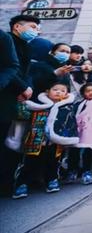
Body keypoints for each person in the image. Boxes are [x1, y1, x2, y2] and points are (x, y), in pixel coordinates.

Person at [13, 82, 77, 199]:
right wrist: (21, 105)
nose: (58, 92)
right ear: (48, 91)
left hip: (55, 142)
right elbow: (23, 116)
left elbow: (70, 124)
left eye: (62, 91)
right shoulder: (37, 105)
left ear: (67, 94)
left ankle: (51, 180)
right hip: (36, 139)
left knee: (53, 162)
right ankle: (21, 184)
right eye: (55, 89)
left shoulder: (66, 108)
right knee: (29, 163)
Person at [0, 15, 39, 194]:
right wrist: (22, 87)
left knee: (11, 142)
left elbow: (23, 70)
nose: (36, 31)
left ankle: (6, 183)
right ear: (17, 26)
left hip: (15, 98)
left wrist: (27, 87)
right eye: (32, 26)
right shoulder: (7, 40)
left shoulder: (27, 47)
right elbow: (9, 67)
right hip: (7, 94)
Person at [66, 82, 92, 185]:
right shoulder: (79, 104)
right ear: (83, 93)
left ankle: (87, 172)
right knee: (74, 151)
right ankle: (72, 170)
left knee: (88, 152)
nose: (90, 93)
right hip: (79, 130)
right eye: (87, 91)